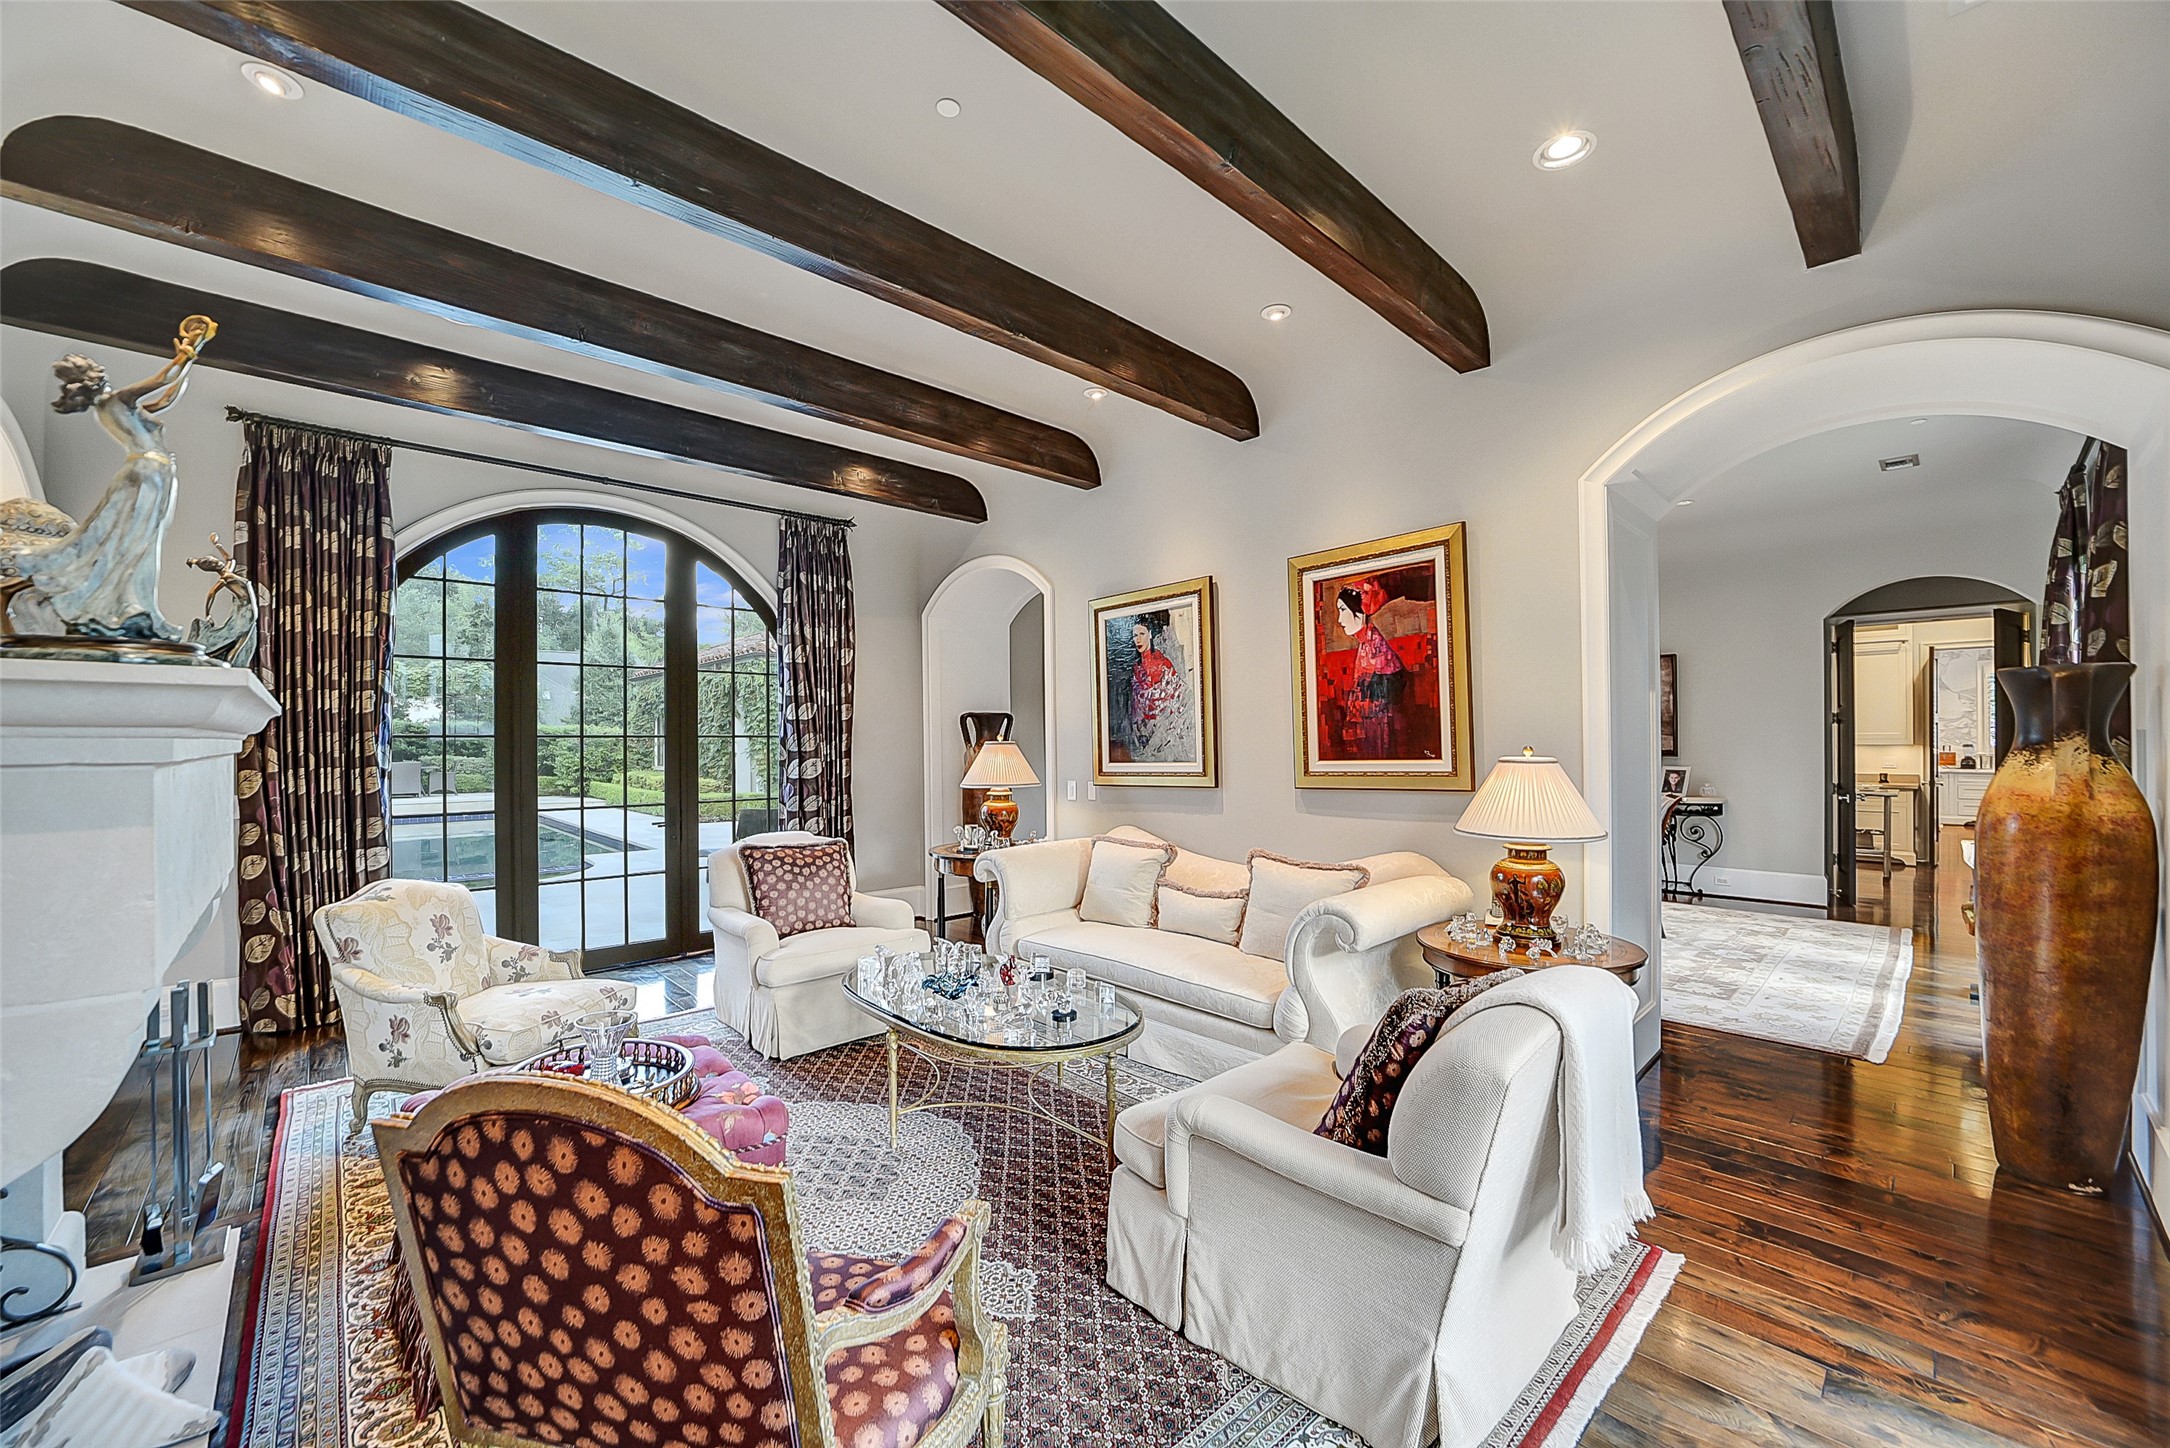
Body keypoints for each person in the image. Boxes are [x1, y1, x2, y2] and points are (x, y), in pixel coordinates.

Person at [4, 316, 215, 642]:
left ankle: (131, 607)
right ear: (92, 378)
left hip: (153, 474)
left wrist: (192, 357)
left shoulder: (115, 407)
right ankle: (122, 607)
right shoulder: (116, 401)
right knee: (133, 547)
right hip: (146, 475)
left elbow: (167, 397)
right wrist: (184, 353)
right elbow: (161, 379)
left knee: (138, 547)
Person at [1334, 578, 1408, 756]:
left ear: (1360, 613)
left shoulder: (1376, 648)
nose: (1339, 619)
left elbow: (1382, 700)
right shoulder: (1366, 643)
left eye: (1343, 610)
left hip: (1379, 730)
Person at [1125, 612, 1191, 761]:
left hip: (1165, 733)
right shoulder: (1136, 668)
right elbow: (1135, 709)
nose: (1138, 639)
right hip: (1143, 735)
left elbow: (1178, 697)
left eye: (1142, 633)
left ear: (1149, 634)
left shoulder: (1163, 663)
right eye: (1135, 635)